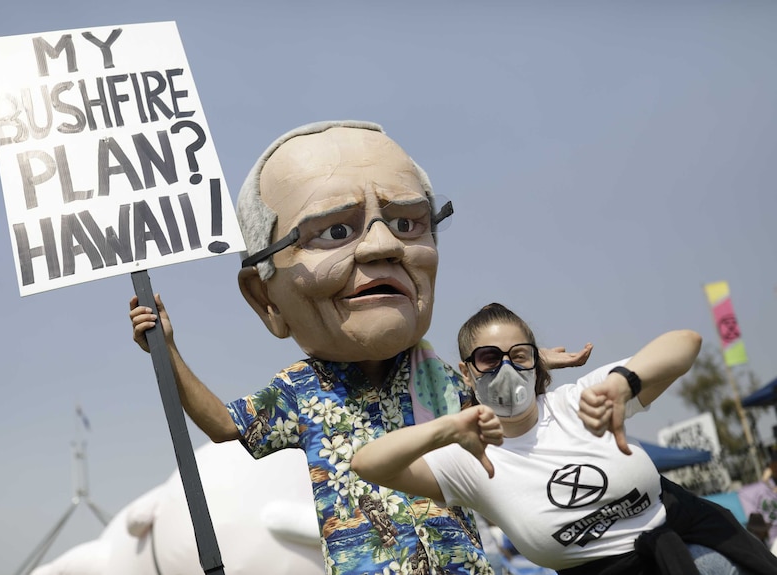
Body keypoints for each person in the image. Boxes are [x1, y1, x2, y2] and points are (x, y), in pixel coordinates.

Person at [129, 121, 591, 575]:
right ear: (265, 298)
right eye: (333, 232)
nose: (383, 245)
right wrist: (167, 351)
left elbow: (496, 393)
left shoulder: (438, 378)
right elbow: (227, 425)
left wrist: (517, 359)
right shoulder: (298, 392)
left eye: (407, 222)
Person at [351, 303, 777, 575]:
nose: (506, 370)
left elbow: (686, 343)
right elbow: (368, 463)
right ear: (466, 371)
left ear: (535, 361)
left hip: (699, 554)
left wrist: (626, 382)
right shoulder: (466, 458)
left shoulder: (583, 399)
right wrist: (445, 429)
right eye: (488, 358)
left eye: (518, 356)